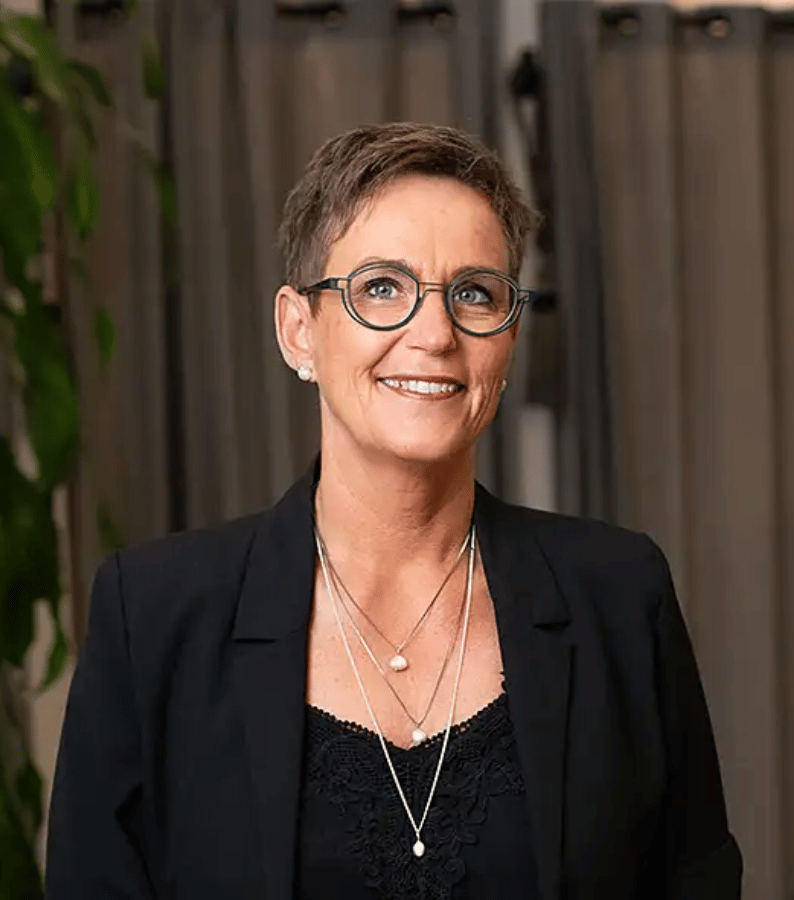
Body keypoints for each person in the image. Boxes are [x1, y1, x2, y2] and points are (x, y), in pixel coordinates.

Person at [45, 122, 741, 899]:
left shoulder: (620, 595)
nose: (435, 334)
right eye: (382, 287)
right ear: (298, 331)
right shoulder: (152, 616)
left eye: (474, 293)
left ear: (508, 338)